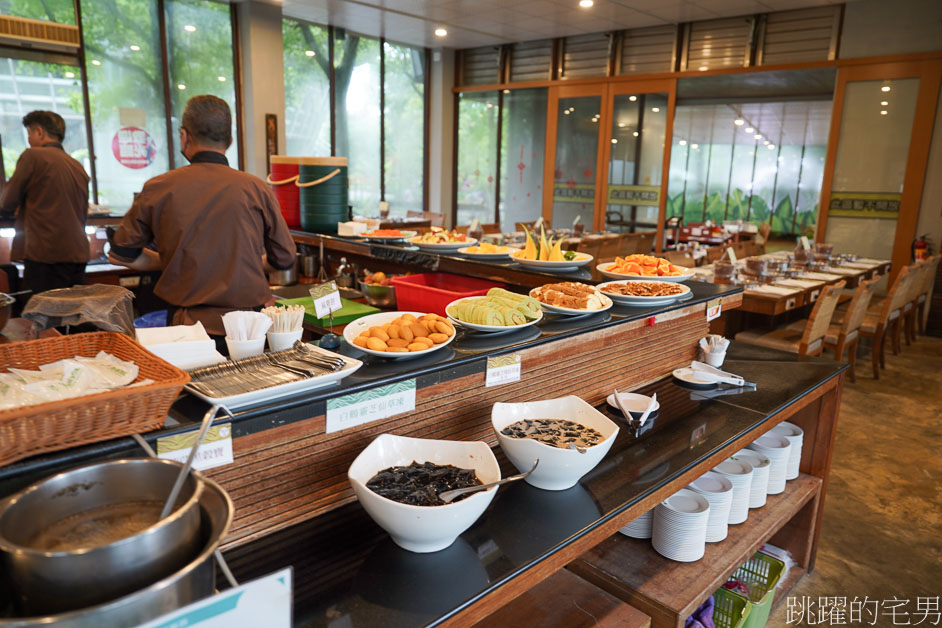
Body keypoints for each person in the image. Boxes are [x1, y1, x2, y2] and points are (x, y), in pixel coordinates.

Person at [109, 95, 296, 338]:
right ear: (229, 141)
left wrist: (177, 260)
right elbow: (284, 259)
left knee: (192, 377)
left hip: (186, 326)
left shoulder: (159, 187)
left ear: (184, 136)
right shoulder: (256, 188)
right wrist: (236, 263)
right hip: (250, 327)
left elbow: (122, 255)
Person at [0, 111, 90, 294]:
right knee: (72, 314)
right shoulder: (76, 165)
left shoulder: (33, 156)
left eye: (30, 134)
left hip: (47, 253)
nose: (29, 139)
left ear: (39, 132)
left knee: (41, 316)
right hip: (78, 253)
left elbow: (6, 201)